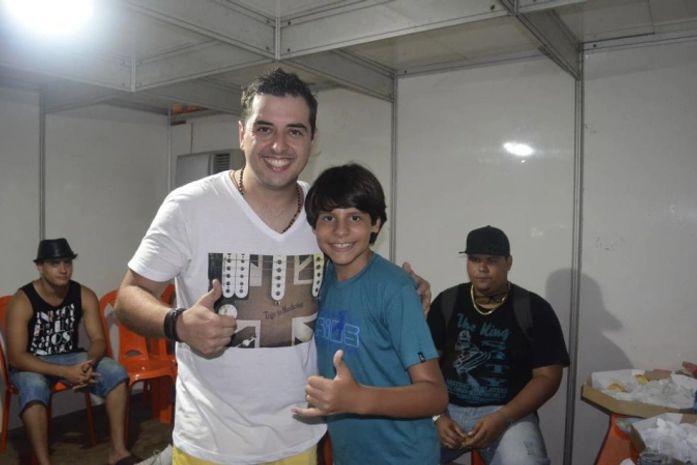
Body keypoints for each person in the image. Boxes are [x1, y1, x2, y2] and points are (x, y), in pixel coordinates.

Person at [114, 68, 430, 465]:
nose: (279, 145)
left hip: (298, 439)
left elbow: (359, 269)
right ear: (241, 134)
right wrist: (177, 324)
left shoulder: (324, 213)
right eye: (264, 129)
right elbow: (127, 297)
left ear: (312, 140)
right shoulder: (189, 206)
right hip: (209, 443)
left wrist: (404, 287)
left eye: (294, 131)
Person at [293, 163, 448, 465]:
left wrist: (358, 398)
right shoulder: (318, 281)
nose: (340, 230)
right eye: (328, 218)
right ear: (314, 227)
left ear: (375, 224)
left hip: (402, 456)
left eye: (355, 217)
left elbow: (435, 395)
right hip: (349, 454)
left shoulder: (394, 289)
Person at [427, 226, 570, 465]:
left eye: (491, 260)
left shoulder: (533, 308)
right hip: (446, 409)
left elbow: (548, 377)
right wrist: (436, 416)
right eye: (475, 259)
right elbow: (425, 366)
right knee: (390, 456)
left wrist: (503, 417)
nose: (482, 268)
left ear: (509, 262)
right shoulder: (448, 301)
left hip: (509, 413)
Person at [5, 238, 136, 465]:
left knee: (116, 372)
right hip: (32, 362)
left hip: (72, 357)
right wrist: (66, 372)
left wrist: (89, 362)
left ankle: (118, 451)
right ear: (40, 267)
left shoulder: (83, 294)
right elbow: (16, 357)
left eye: (67, 262)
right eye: (55, 263)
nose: (63, 269)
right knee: (34, 386)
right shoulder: (23, 299)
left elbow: (98, 340)